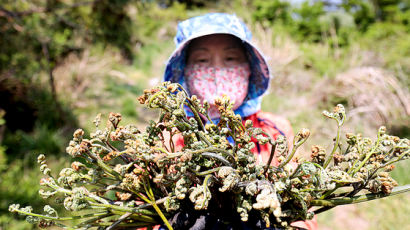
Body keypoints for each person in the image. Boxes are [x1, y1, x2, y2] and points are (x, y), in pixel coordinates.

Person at [162, 13, 317, 230]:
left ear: (248, 69)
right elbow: (141, 211)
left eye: (231, 59)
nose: (217, 71)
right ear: (185, 72)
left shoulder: (274, 132)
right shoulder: (170, 138)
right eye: (202, 60)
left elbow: (303, 209)